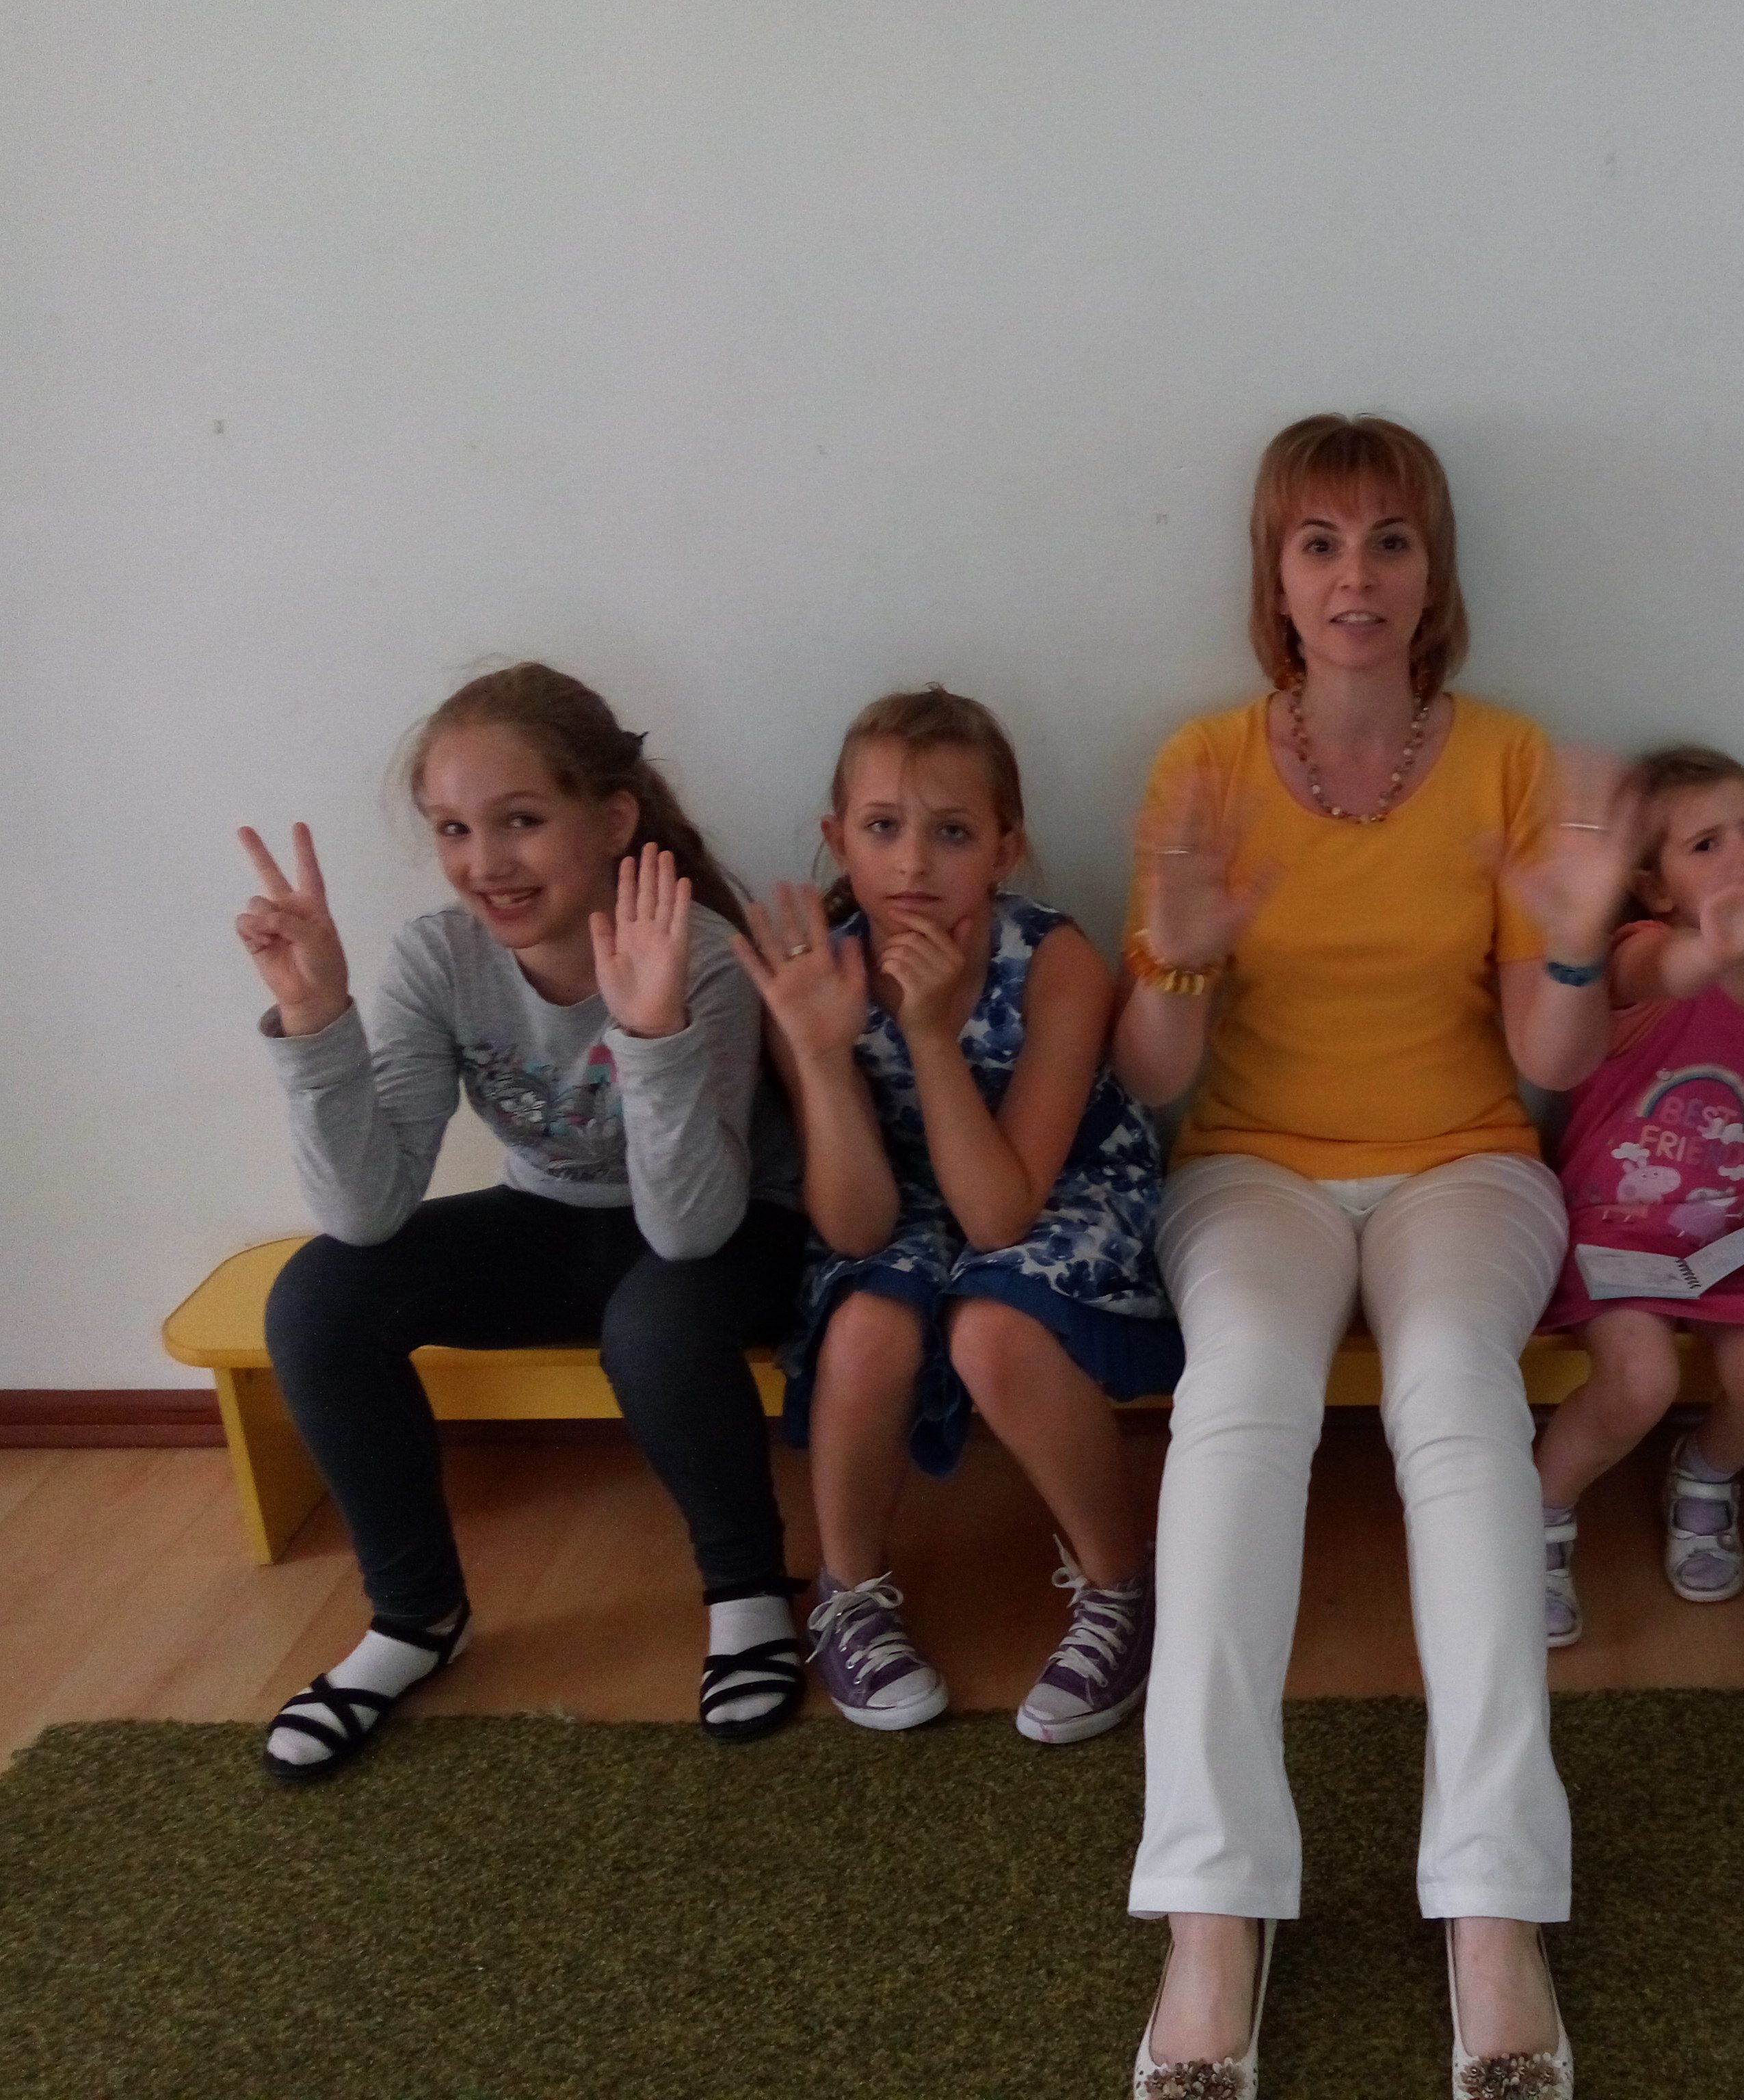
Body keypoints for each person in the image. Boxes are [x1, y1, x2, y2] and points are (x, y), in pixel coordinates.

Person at [1118, 415, 1632, 2100]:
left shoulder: (1507, 758)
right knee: (1237, 1400)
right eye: (1321, 543)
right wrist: (1176, 962)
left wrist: (1572, 946)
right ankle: (1210, 1914)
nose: (1356, 576)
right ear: (1275, 577)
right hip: (1250, 1168)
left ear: (1434, 572)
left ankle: (1494, 1906)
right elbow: (1152, 1082)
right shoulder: (1202, 764)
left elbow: (1545, 1062)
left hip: (1464, 1165)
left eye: (1389, 541)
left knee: (1454, 1394)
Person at [237, 663, 808, 1781]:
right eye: (453, 829)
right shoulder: (437, 958)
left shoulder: (697, 953)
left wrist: (651, 1032)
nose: (485, 862)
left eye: (521, 821)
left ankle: (748, 1593)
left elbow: (689, 1231)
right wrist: (315, 1017)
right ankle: (416, 1618)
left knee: (654, 1324)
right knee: (317, 1296)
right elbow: (366, 1210)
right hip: (553, 1216)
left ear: (613, 820)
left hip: (726, 1227)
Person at [732, 687, 1180, 1742]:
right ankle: (849, 1591)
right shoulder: (819, 975)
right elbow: (853, 1226)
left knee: (993, 1330)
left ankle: (1118, 1582)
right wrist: (820, 1056)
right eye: (883, 828)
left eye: (952, 833)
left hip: (1056, 1186)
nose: (913, 865)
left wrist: (932, 1036)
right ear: (838, 839)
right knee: (867, 1327)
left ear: (1005, 849)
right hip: (901, 1195)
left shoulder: (1057, 963)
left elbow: (999, 1216)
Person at [1531, 744, 1744, 1646]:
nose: (1741, 854)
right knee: (1639, 1381)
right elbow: (1665, 972)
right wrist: (1710, 949)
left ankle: (1704, 1473)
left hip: (1735, 1247)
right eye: (1706, 845)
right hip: (1617, 1237)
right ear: (1653, 890)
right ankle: (1538, 1512)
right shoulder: (1637, 956)